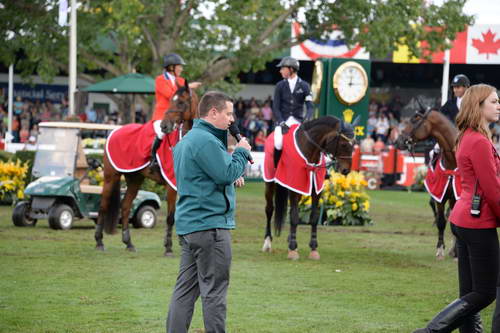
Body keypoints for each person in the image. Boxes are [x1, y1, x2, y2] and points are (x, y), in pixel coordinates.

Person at [413, 84, 500, 333]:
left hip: (463, 219)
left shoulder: (466, 136)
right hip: (477, 222)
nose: (499, 106)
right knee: (484, 294)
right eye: (493, 101)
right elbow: (492, 190)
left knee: (469, 293)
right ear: (479, 106)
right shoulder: (480, 141)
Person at [166, 91, 252, 333]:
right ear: (213, 112)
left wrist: (231, 174)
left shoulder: (187, 141)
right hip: (210, 228)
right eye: (228, 113)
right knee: (214, 293)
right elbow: (224, 173)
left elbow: (205, 177)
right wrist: (241, 152)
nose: (231, 119)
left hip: (189, 227)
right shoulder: (206, 141)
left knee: (183, 293)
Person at [150, 53, 201, 166]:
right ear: (171, 67)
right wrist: (190, 86)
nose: (181, 69)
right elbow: (171, 95)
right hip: (162, 114)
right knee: (160, 132)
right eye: (180, 66)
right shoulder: (160, 80)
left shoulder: (182, 81)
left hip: (177, 115)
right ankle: (153, 158)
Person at [272, 56, 314, 166]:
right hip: (283, 121)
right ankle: (277, 168)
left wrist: (307, 119)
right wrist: (281, 122)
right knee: (278, 143)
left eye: (283, 68)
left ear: (291, 69)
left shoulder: (305, 86)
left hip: (298, 120)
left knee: (310, 142)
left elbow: (310, 106)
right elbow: (275, 107)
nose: (280, 71)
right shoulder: (280, 85)